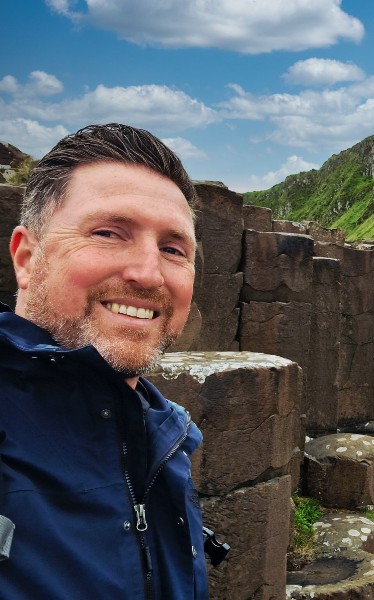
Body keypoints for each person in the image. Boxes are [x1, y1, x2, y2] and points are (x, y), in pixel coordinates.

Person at [0, 124, 210, 599]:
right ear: (27, 258)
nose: (147, 272)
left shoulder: (165, 437)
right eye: (109, 233)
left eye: (173, 249)